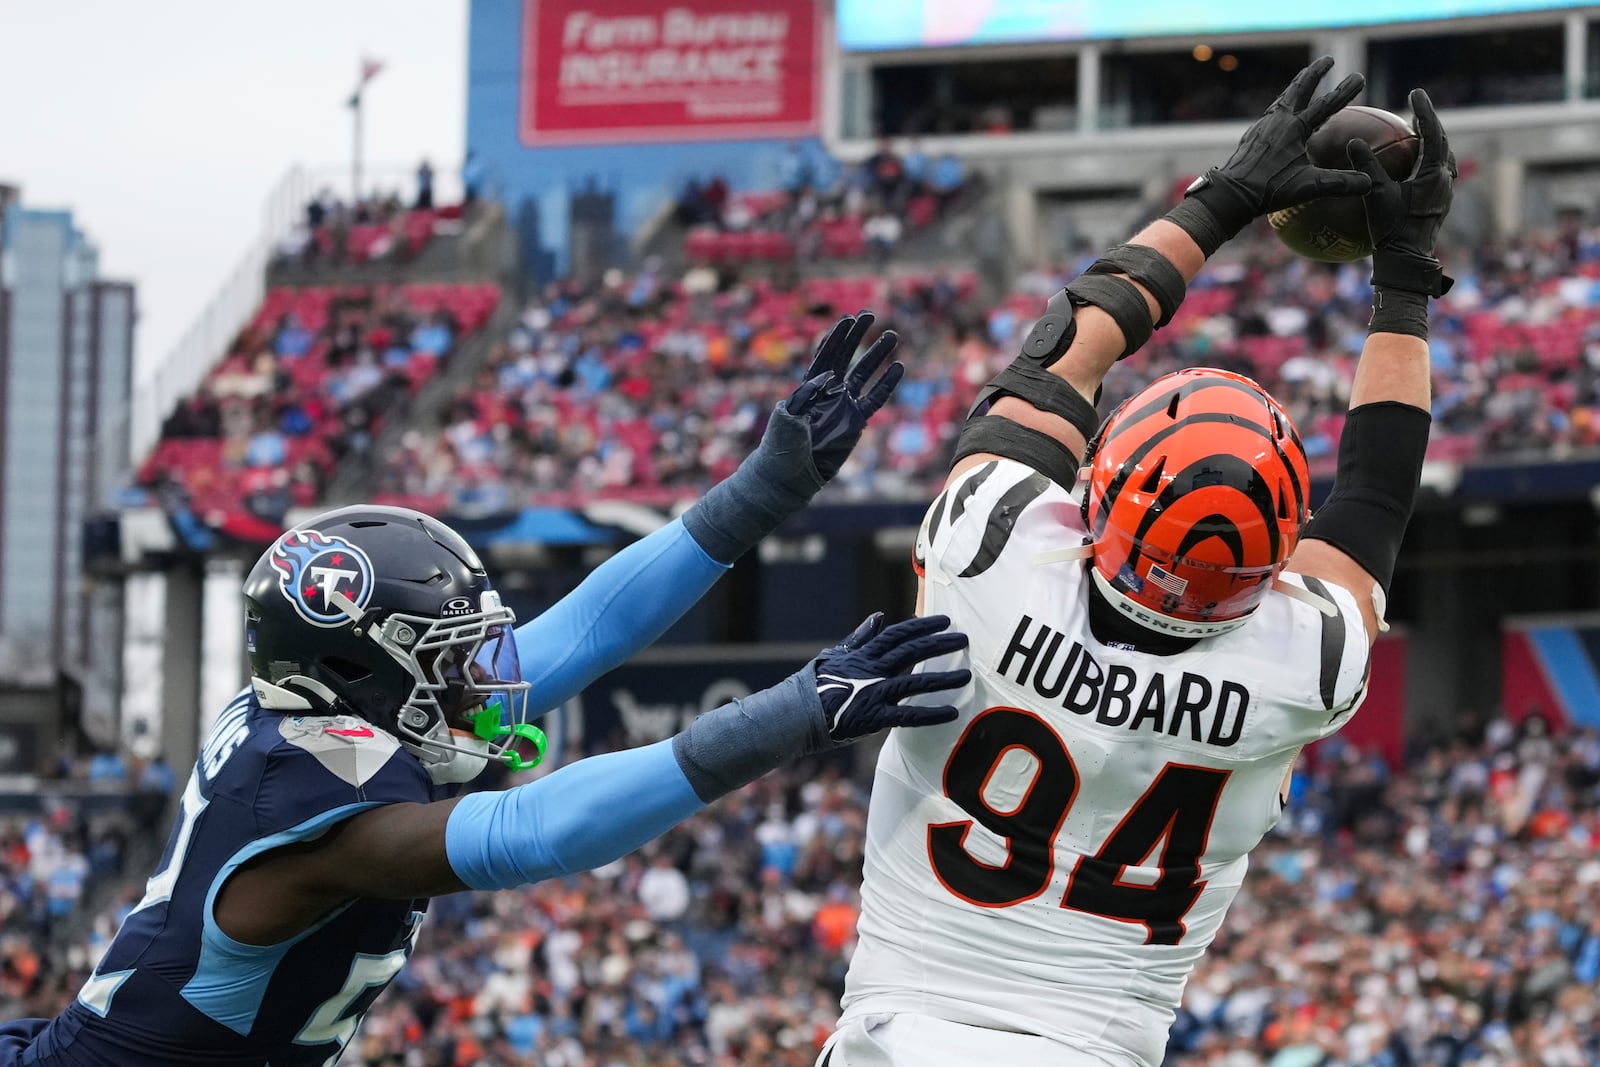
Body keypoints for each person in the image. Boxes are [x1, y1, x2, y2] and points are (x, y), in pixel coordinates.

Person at [0, 316, 974, 1066]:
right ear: (359, 672)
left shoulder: (331, 721)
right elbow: (529, 833)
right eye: (448, 652)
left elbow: (581, 632)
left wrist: (761, 488)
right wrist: (789, 714)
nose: (488, 674)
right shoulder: (309, 807)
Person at [825, 60, 1456, 1066]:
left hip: (898, 1037)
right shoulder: (1301, 665)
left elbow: (1057, 357)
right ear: (1275, 555)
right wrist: (1406, 275)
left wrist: (1225, 194)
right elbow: (1374, 497)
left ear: (1104, 492)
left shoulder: (993, 557)